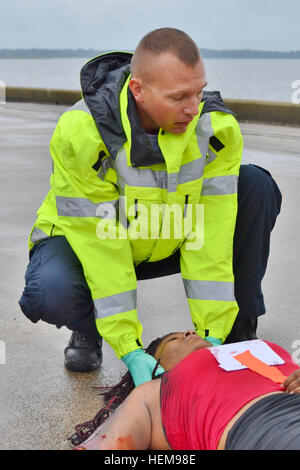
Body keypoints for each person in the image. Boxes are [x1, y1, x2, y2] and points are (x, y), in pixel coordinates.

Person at [18, 28, 282, 385]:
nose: (194, 108)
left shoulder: (215, 130)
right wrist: (129, 348)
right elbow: (101, 243)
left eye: (199, 91)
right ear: (137, 90)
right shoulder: (83, 133)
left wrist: (213, 336)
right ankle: (89, 327)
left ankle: (239, 333)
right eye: (179, 97)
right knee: (50, 291)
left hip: (164, 234)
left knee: (255, 186)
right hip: (91, 240)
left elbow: (211, 238)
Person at [70, 331, 300, 450]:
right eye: (173, 339)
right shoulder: (157, 391)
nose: (188, 332)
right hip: (266, 427)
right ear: (157, 366)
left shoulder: (260, 350)